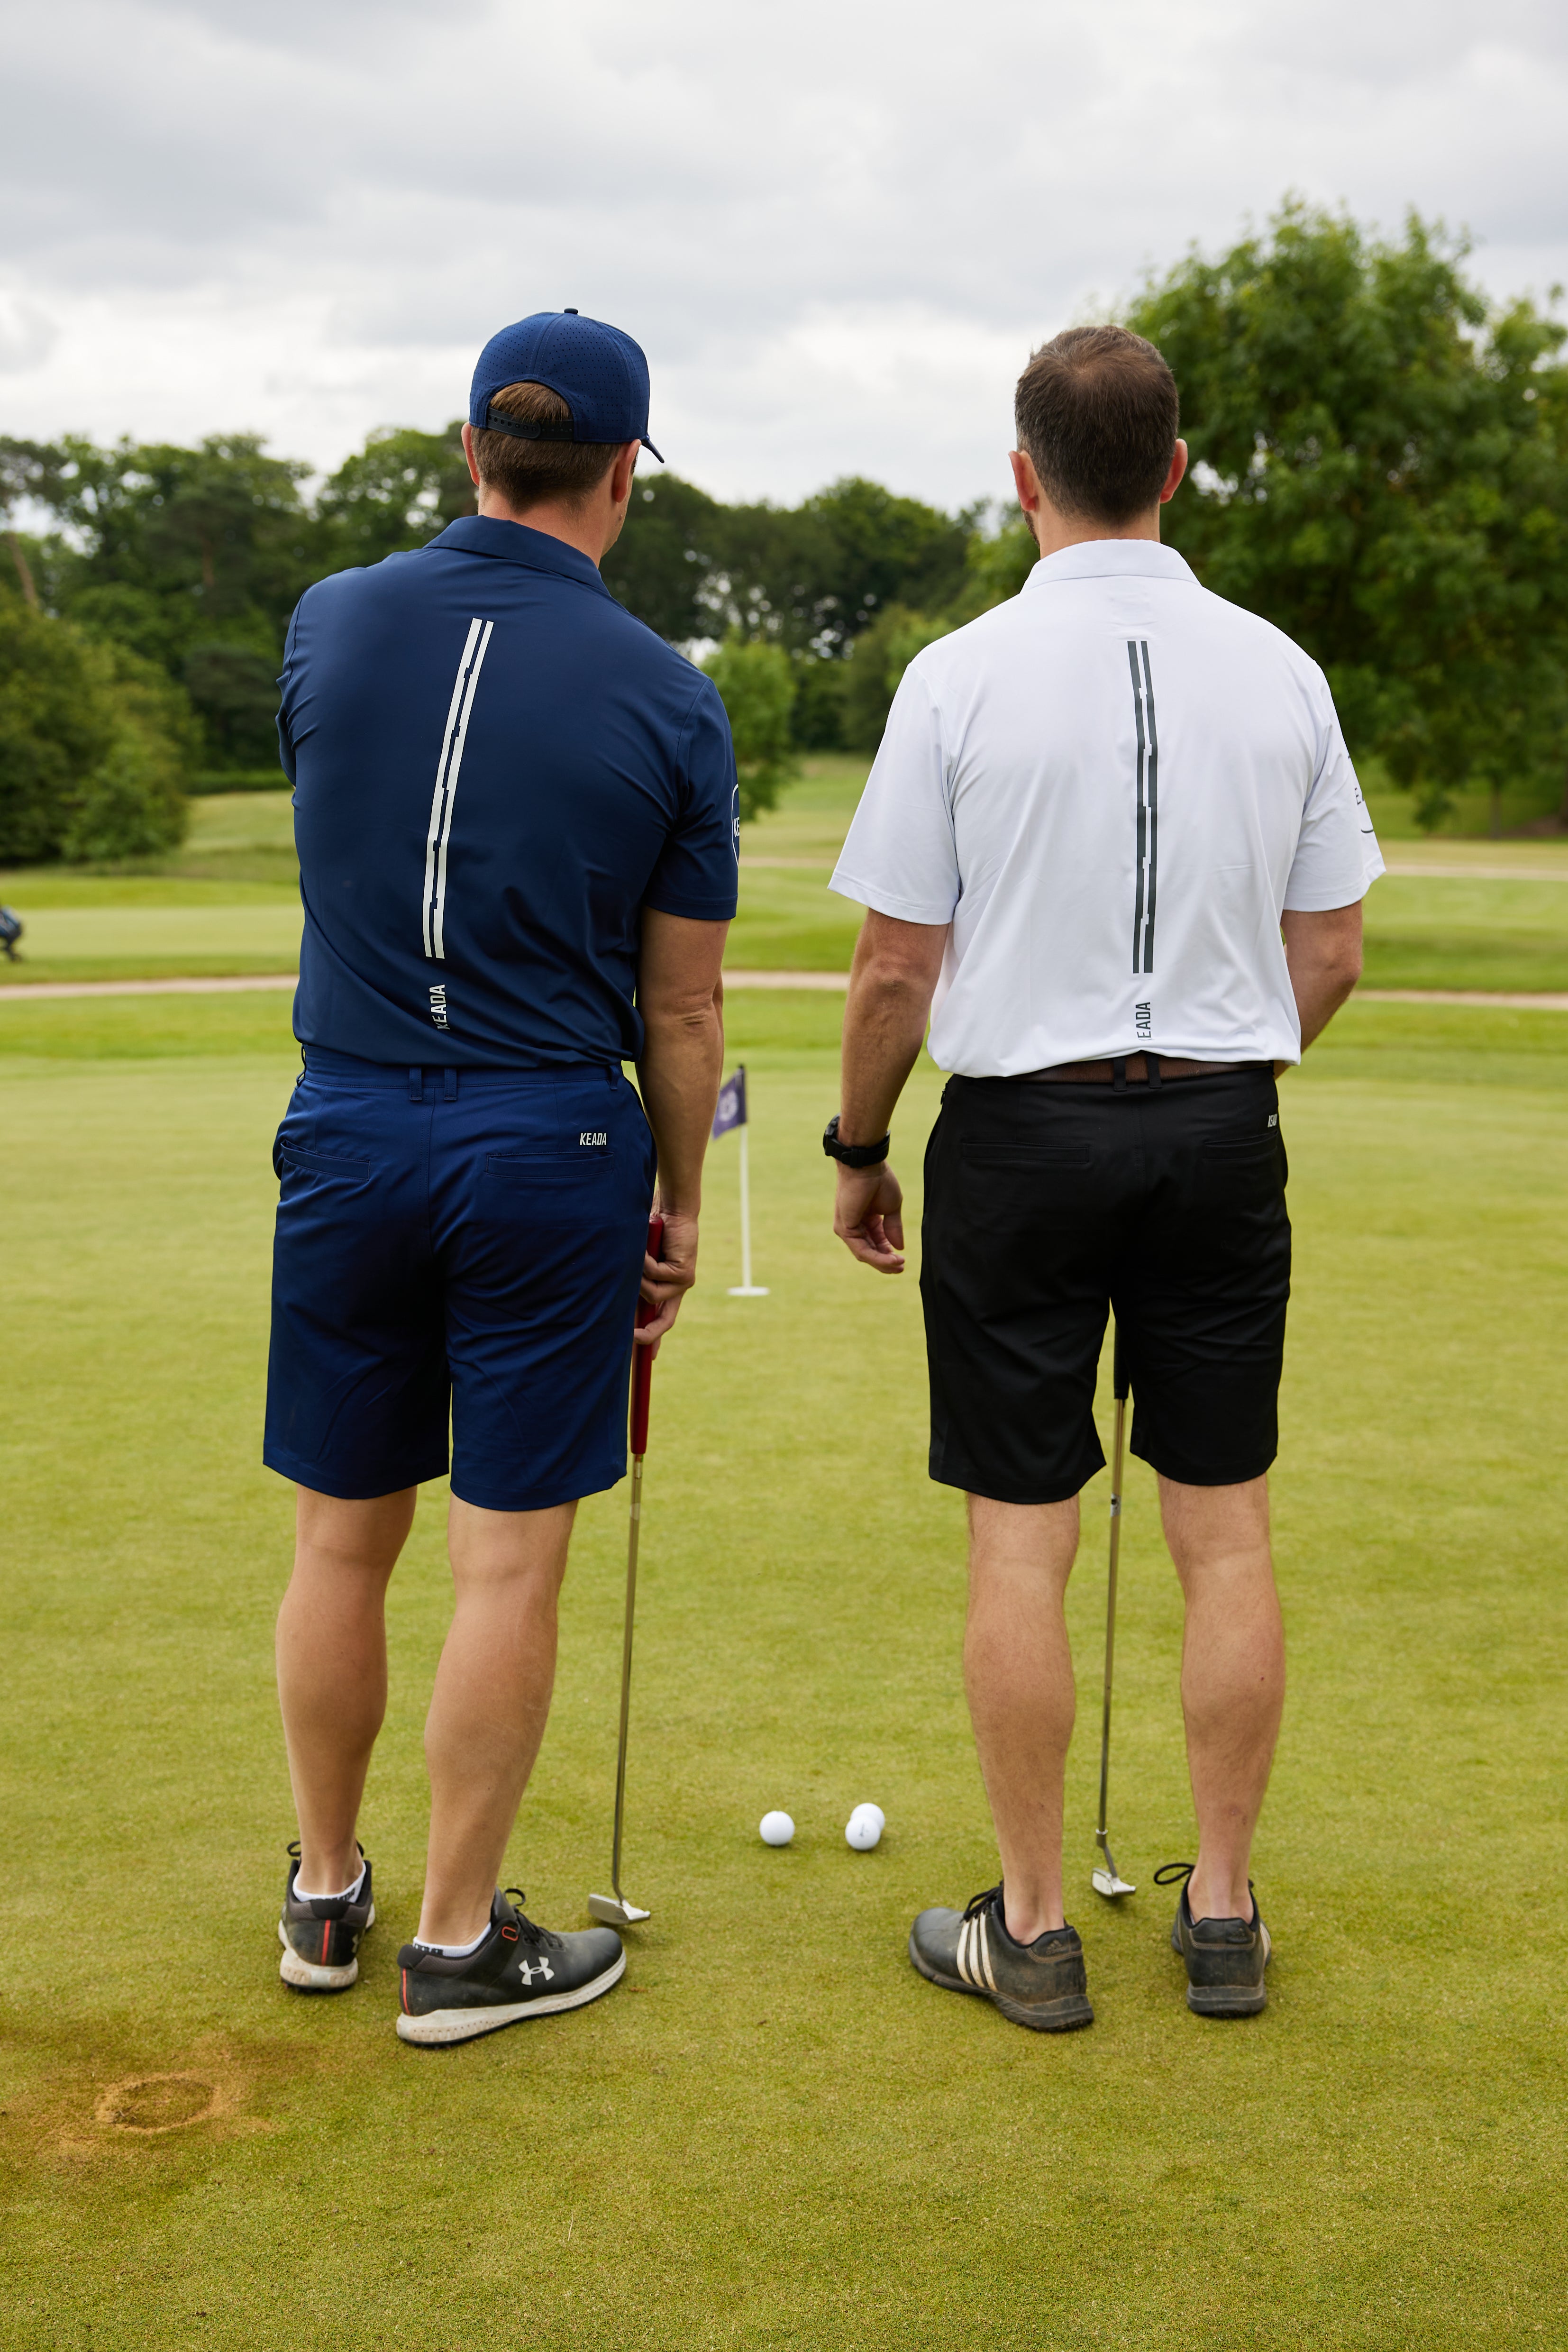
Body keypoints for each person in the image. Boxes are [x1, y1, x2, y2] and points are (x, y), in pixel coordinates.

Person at [824, 325, 1379, 2030]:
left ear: (1021, 474)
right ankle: (1218, 1915)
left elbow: (893, 977)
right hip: (1219, 1132)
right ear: (1176, 468)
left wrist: (857, 1149)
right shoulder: (1280, 666)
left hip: (1020, 1138)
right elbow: (1336, 949)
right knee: (1222, 1532)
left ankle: (1038, 1928)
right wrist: (1220, 1070)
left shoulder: (957, 671)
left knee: (1020, 1543)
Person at [265, 310, 736, 2046]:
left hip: (349, 1125)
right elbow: (680, 1003)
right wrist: (676, 1200)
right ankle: (457, 1944)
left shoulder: (328, 618)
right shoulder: (672, 697)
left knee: (341, 1534)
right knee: (503, 1563)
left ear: (472, 450)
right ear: (620, 476)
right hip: (549, 1142)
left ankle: (328, 1894)